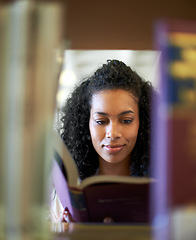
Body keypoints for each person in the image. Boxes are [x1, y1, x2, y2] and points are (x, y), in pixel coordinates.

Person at [50, 59, 155, 225]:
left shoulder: (160, 190)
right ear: (87, 123)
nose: (112, 133)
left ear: (142, 123)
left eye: (126, 120)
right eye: (101, 121)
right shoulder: (66, 195)